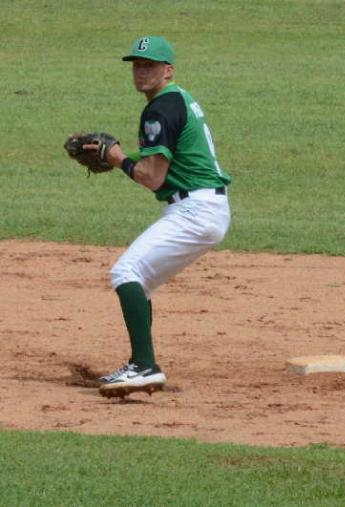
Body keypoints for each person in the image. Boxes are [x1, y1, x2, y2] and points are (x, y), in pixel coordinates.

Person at [89, 36, 232, 398]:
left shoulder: (160, 108)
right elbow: (162, 165)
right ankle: (142, 363)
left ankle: (143, 366)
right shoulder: (177, 99)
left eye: (150, 65)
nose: (141, 71)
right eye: (137, 65)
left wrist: (118, 158)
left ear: (168, 70)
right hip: (203, 208)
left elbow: (153, 177)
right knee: (141, 281)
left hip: (195, 211)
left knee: (126, 272)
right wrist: (121, 156)